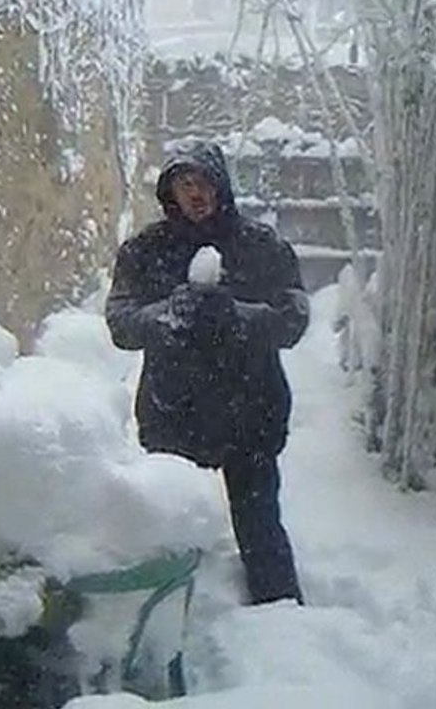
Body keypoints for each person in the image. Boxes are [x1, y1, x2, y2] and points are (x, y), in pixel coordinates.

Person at [105, 140, 308, 605]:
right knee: (168, 531)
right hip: (173, 414)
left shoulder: (262, 247)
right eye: (184, 184)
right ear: (169, 192)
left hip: (250, 414)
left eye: (203, 182)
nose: (195, 194)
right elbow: (120, 322)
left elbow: (294, 319)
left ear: (222, 185)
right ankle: (174, 616)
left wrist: (239, 315)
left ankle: (287, 626)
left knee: (260, 528)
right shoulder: (144, 251)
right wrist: (163, 316)